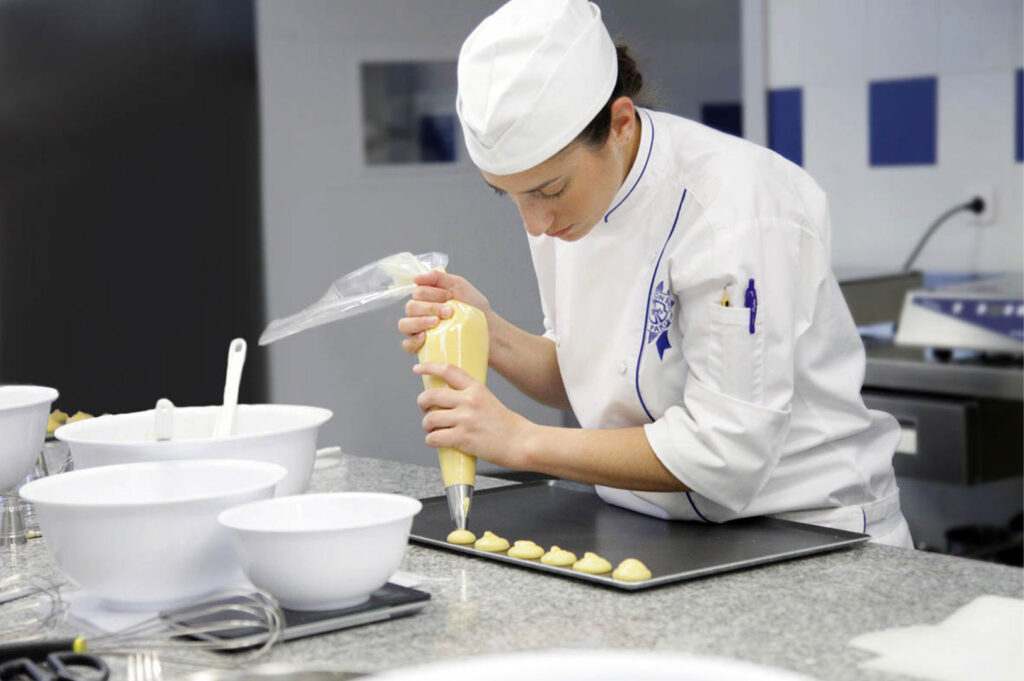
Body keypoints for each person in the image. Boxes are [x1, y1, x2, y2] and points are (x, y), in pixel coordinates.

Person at [397, 0, 913, 548]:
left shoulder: (734, 210)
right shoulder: (567, 208)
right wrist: (487, 331)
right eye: (510, 195)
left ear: (619, 124)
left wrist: (521, 441)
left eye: (549, 190)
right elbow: (596, 377)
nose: (536, 222)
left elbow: (723, 451)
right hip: (658, 529)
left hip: (809, 533)